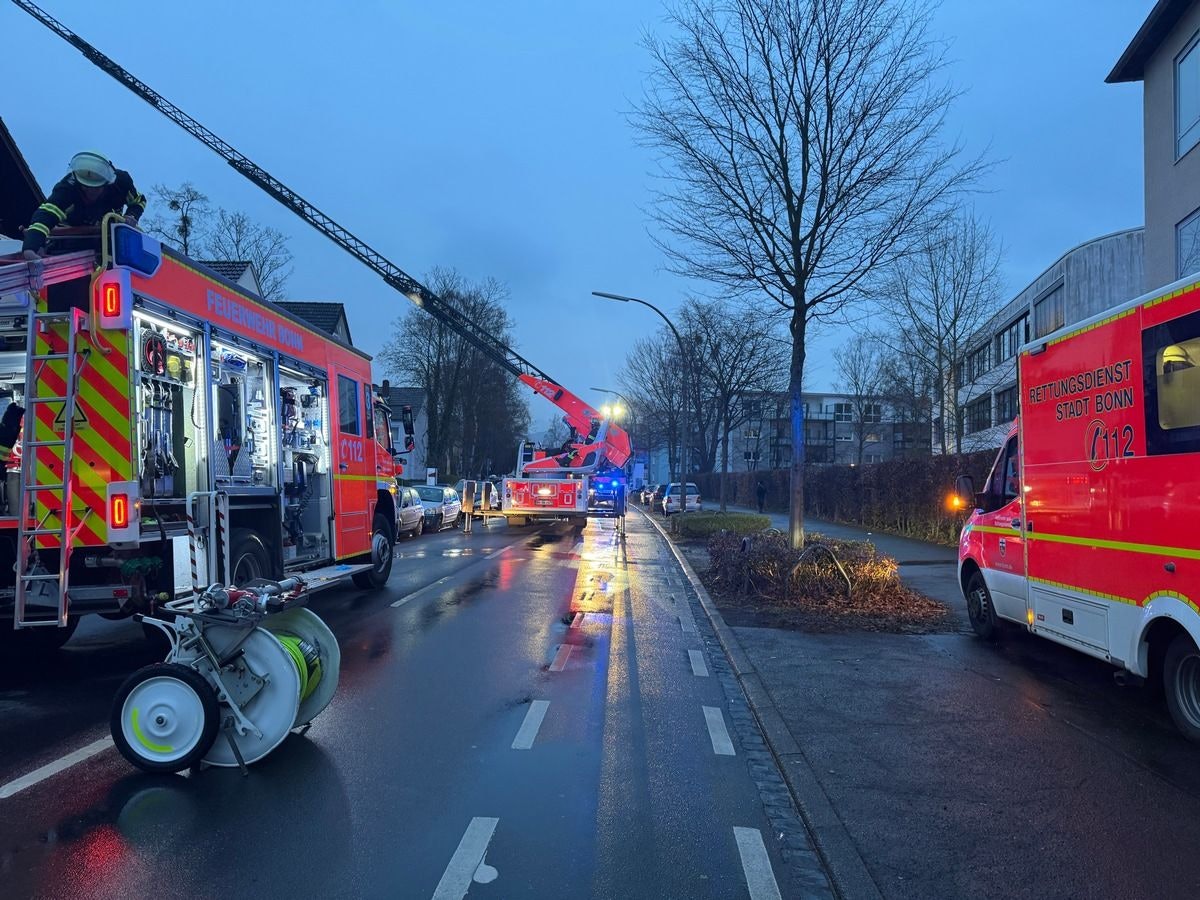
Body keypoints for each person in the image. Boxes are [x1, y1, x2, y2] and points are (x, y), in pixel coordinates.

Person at [22, 151, 145, 260]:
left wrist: (131, 216)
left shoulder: (121, 183)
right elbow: (46, 214)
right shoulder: (67, 188)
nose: (90, 192)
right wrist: (31, 246)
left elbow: (139, 201)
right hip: (69, 239)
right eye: (85, 187)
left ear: (107, 183)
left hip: (108, 240)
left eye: (96, 188)